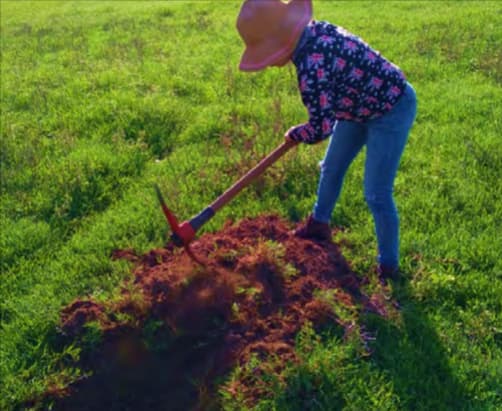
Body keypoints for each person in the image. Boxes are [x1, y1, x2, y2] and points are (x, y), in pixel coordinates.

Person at [236, 0, 417, 281]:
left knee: (376, 193)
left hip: (391, 108)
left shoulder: (311, 66)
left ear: (281, 40)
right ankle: (319, 224)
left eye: (267, 53)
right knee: (331, 167)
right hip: (355, 106)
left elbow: (321, 127)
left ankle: (389, 267)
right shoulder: (313, 34)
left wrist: (296, 133)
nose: (269, 63)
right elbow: (330, 110)